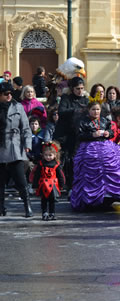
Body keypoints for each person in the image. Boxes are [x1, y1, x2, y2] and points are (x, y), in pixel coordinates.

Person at [71, 101, 120, 210]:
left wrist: (108, 134)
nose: (96, 111)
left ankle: (110, 196)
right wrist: (92, 134)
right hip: (89, 148)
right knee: (89, 170)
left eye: (97, 109)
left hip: (106, 147)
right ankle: (89, 199)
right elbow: (79, 135)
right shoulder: (82, 121)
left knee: (113, 165)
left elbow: (111, 132)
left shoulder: (105, 120)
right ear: (89, 110)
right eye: (93, 109)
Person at [0, 82, 33, 217]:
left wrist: (27, 145)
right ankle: (1, 207)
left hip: (15, 145)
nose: (9, 96)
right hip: (1, 144)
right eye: (5, 94)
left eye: (10, 93)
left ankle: (28, 207)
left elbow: (26, 128)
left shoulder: (17, 107)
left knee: (21, 180)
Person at [54, 76, 89, 191]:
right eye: (77, 88)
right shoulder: (66, 98)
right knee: (63, 160)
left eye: (82, 88)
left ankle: (73, 184)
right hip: (64, 133)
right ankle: (61, 184)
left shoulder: (85, 100)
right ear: (72, 88)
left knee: (75, 160)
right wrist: (76, 110)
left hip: (77, 134)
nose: (80, 91)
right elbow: (61, 111)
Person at [32, 141, 65, 220]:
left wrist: (61, 185)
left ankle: (52, 213)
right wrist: (35, 185)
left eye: (50, 155)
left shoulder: (56, 165)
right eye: (46, 155)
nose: (48, 157)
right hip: (43, 184)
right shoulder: (41, 164)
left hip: (53, 184)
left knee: (52, 200)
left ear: (55, 155)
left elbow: (60, 175)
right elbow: (37, 175)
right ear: (43, 155)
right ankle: (44, 213)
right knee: (44, 199)